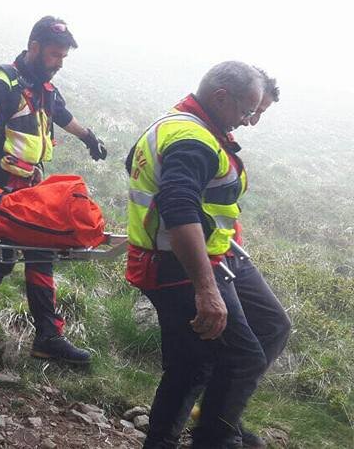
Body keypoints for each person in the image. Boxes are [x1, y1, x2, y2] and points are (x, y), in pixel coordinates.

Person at [124, 61, 291, 448]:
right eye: (247, 111)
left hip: (218, 253)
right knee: (210, 361)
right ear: (220, 98)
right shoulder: (191, 137)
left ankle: (216, 418)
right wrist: (206, 289)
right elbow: (178, 206)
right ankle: (213, 435)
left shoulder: (192, 126)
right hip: (177, 264)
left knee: (271, 326)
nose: (250, 121)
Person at [0, 16, 107, 364]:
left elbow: (61, 114)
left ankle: (46, 335)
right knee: (7, 257)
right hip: (1, 184)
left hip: (28, 182)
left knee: (33, 251)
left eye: (63, 56)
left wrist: (89, 137)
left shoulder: (41, 84)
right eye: (54, 55)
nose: (59, 63)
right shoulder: (2, 84)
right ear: (34, 48)